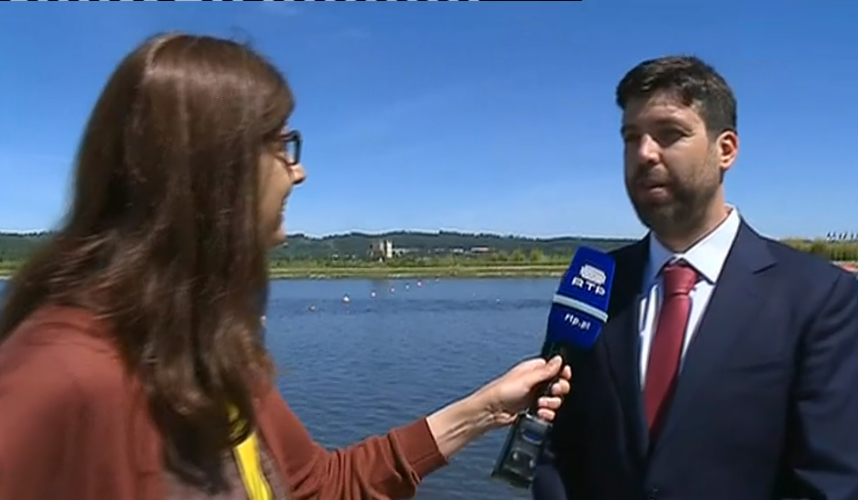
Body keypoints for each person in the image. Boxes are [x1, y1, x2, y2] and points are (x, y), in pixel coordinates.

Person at [0, 33, 572, 500]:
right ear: (213, 166)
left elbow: (319, 486)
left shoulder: (204, 350)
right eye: (281, 145)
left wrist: (485, 409)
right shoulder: (59, 371)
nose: (298, 173)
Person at [533, 55, 858, 500]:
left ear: (726, 150)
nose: (644, 153)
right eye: (630, 137)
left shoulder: (820, 298)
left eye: (669, 134)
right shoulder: (595, 282)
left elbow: (834, 485)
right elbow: (555, 447)